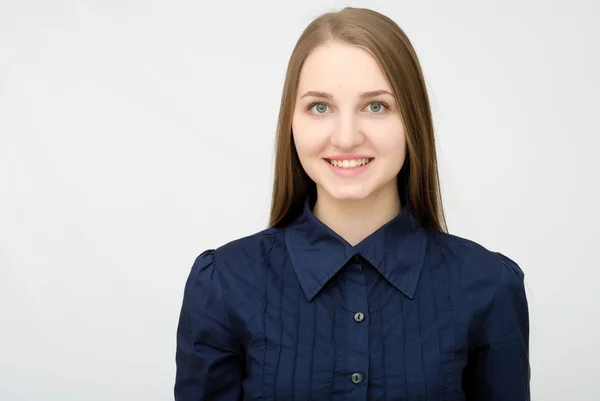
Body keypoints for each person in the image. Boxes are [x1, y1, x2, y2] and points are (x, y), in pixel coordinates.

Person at [174, 6, 530, 401]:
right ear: (291, 122)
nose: (345, 138)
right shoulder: (223, 283)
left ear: (413, 120)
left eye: (375, 106)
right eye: (320, 107)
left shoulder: (490, 285)